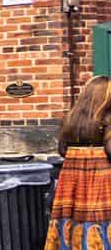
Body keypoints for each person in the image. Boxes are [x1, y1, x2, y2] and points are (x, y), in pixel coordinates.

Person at [48, 75, 111, 250]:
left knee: (74, 221)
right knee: (99, 221)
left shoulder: (71, 118)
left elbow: (62, 150)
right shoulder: (107, 118)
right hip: (101, 178)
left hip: (71, 179)